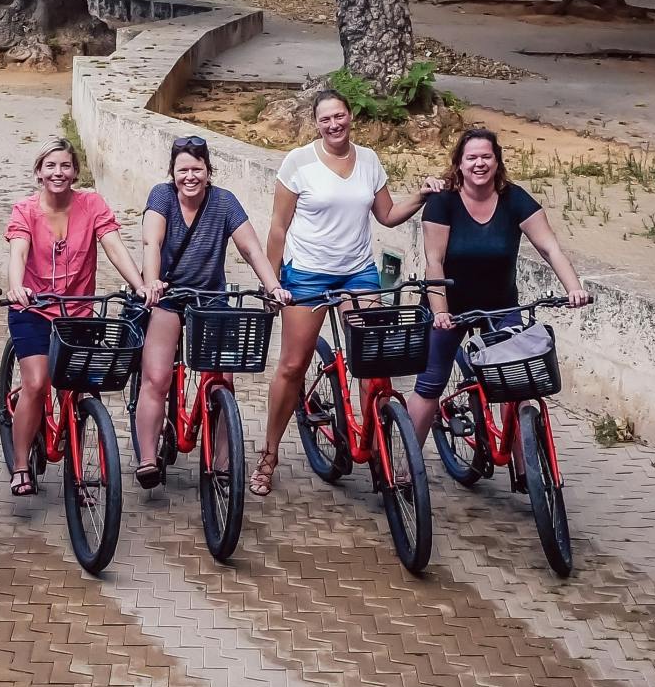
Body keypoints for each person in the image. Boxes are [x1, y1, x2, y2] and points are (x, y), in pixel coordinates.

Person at [256, 88, 441, 496]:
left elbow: (387, 215)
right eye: (325, 119)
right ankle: (269, 455)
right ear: (316, 123)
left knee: (373, 363)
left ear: (350, 115)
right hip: (307, 274)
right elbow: (278, 228)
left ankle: (378, 452)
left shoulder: (369, 160)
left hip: (358, 273)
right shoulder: (298, 162)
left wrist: (421, 196)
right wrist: (272, 283)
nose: (334, 124)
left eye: (339, 116)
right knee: (293, 365)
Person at [408, 129, 591, 443]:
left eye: (486, 157)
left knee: (516, 386)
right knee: (430, 385)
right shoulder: (443, 201)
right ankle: (407, 461)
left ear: (497, 161)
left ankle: (526, 464)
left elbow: (550, 248)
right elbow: (434, 261)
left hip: (501, 306)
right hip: (450, 307)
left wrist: (574, 288)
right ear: (459, 163)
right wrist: (440, 312)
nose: (479, 164)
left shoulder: (513, 198)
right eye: (471, 158)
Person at [131, 135, 290, 489]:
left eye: (197, 169)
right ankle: (147, 458)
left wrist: (272, 286)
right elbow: (151, 242)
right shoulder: (162, 196)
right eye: (183, 170)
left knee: (224, 380)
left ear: (208, 170)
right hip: (169, 296)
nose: (190, 177)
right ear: (172, 172)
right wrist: (152, 282)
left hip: (210, 298)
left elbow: (251, 249)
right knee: (156, 377)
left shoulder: (223, 202)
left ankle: (222, 464)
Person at [2, 140, 156, 496]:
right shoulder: (25, 210)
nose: (58, 173)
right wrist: (16, 287)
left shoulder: (92, 204)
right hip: (33, 310)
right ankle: (21, 464)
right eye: (50, 166)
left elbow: (114, 245)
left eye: (65, 166)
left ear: (75, 172)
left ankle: (77, 467)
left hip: (77, 313)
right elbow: (18, 252)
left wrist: (140, 286)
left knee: (80, 388)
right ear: (39, 172)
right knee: (37, 383)